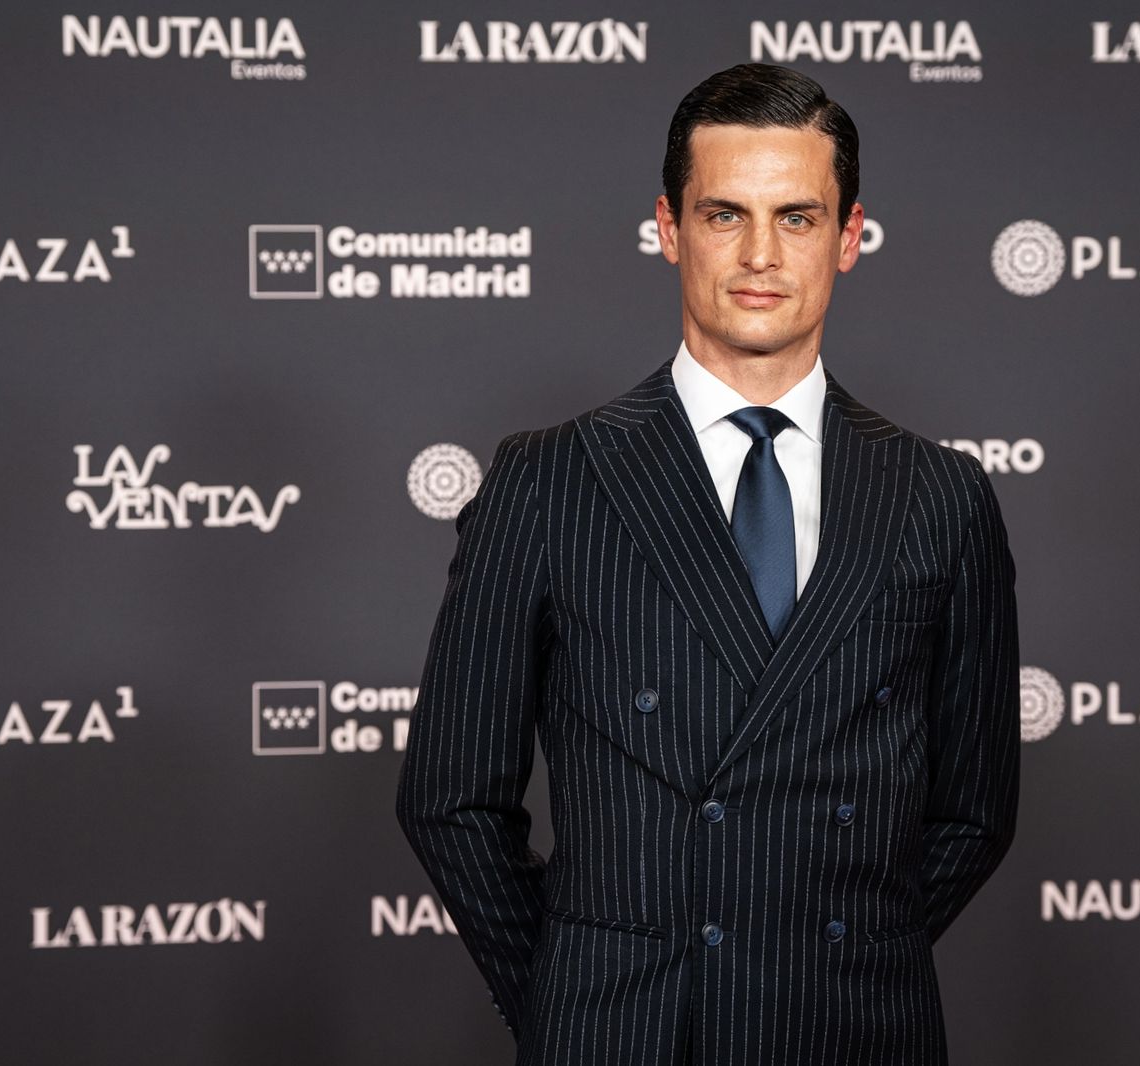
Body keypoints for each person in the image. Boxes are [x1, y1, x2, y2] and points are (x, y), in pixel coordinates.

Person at [396, 62, 1019, 1066]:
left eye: (797, 217)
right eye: (725, 214)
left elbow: (973, 811)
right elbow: (449, 796)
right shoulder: (549, 481)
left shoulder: (940, 495)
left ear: (850, 236)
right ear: (668, 228)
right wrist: (578, 996)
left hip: (856, 1034)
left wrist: (843, 956)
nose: (760, 254)